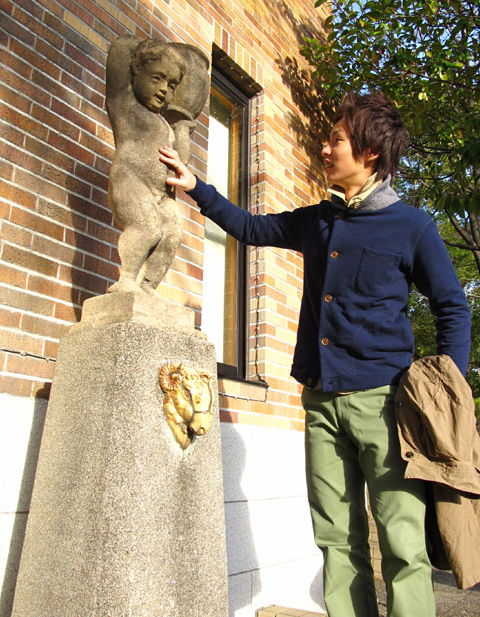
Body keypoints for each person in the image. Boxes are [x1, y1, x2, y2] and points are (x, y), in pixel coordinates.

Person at [158, 92, 471, 617]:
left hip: (386, 406)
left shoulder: (412, 226)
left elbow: (452, 308)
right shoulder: (318, 220)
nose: (325, 149)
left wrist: (446, 392)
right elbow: (252, 228)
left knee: (402, 544)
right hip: (321, 403)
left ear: (370, 152)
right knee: (336, 540)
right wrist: (198, 188)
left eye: (336, 140)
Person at [106, 36, 188, 295]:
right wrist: (151, 50)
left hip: (162, 194)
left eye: (171, 85)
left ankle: (148, 285)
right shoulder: (124, 105)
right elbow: (120, 49)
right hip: (131, 180)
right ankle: (127, 278)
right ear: (136, 73)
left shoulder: (165, 124)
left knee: (172, 232)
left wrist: (182, 129)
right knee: (147, 226)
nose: (164, 89)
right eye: (157, 78)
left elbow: (180, 162)